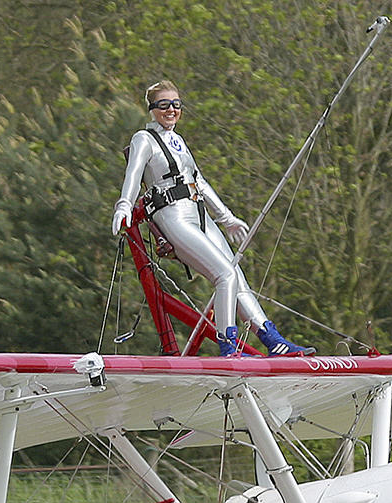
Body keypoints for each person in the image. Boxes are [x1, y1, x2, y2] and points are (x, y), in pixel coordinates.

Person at [112, 80, 312, 358]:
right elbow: (133, 175)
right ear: (151, 109)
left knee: (236, 275)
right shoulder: (144, 139)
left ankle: (271, 338)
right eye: (164, 105)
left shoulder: (178, 142)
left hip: (199, 212)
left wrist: (226, 218)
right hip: (173, 215)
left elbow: (199, 182)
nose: (171, 110)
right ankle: (227, 344)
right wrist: (124, 204)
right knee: (224, 275)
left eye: (176, 104)